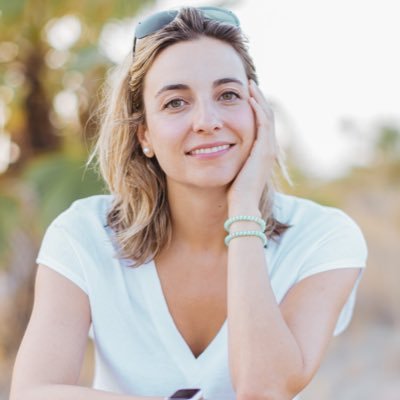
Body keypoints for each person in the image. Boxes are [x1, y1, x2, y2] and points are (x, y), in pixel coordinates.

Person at [10, 6, 368, 400]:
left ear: (259, 111)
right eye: (176, 103)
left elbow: (265, 388)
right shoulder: (84, 234)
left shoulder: (322, 238)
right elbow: (34, 392)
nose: (207, 120)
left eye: (228, 95)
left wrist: (244, 210)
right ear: (144, 134)